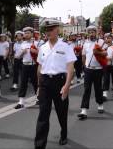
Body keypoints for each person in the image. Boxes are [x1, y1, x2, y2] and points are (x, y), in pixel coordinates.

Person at [34, 19, 76, 148]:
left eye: (51, 29)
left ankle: (64, 132)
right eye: (46, 30)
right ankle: (40, 145)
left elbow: (70, 67)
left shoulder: (66, 47)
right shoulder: (42, 48)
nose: (48, 32)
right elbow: (40, 68)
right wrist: (38, 86)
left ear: (58, 30)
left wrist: (67, 85)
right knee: (43, 115)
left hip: (59, 82)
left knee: (62, 112)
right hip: (45, 83)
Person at [77, 26, 107, 120]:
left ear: (96, 32)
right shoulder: (85, 43)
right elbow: (83, 56)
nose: (91, 34)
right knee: (87, 89)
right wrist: (84, 67)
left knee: (98, 88)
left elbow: (106, 54)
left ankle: (100, 104)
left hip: (98, 69)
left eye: (93, 32)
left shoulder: (101, 42)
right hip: (88, 69)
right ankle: (84, 110)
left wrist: (98, 53)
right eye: (89, 32)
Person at [14, 27, 38, 109]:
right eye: (25, 33)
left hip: (34, 65)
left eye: (28, 33)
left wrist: (36, 52)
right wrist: (22, 52)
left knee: (36, 82)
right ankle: (21, 101)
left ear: (32, 34)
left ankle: (38, 98)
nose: (26, 34)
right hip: (25, 65)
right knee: (23, 83)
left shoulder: (36, 43)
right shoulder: (22, 44)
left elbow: (42, 55)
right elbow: (18, 57)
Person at [103, 33, 113, 99]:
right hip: (106, 65)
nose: (108, 39)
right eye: (106, 38)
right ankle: (105, 92)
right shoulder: (103, 47)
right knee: (106, 79)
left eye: (109, 38)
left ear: (112, 39)